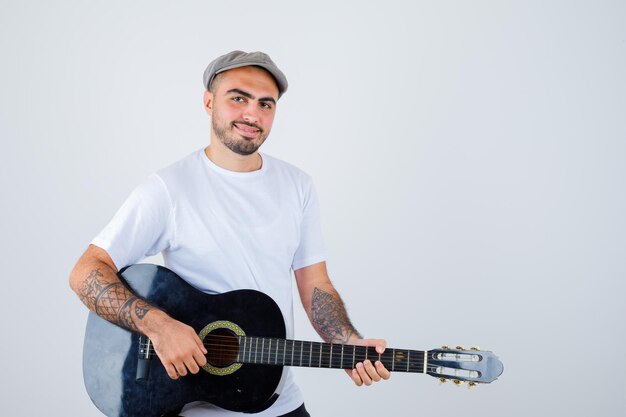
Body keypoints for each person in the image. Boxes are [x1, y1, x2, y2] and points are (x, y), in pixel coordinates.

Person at [69, 50, 390, 417]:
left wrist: (346, 343)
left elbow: (315, 284)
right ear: (209, 102)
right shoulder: (168, 189)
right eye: (238, 98)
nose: (253, 114)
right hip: (190, 403)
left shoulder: (297, 186)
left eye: (265, 104)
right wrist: (158, 326)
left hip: (277, 402)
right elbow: (85, 271)